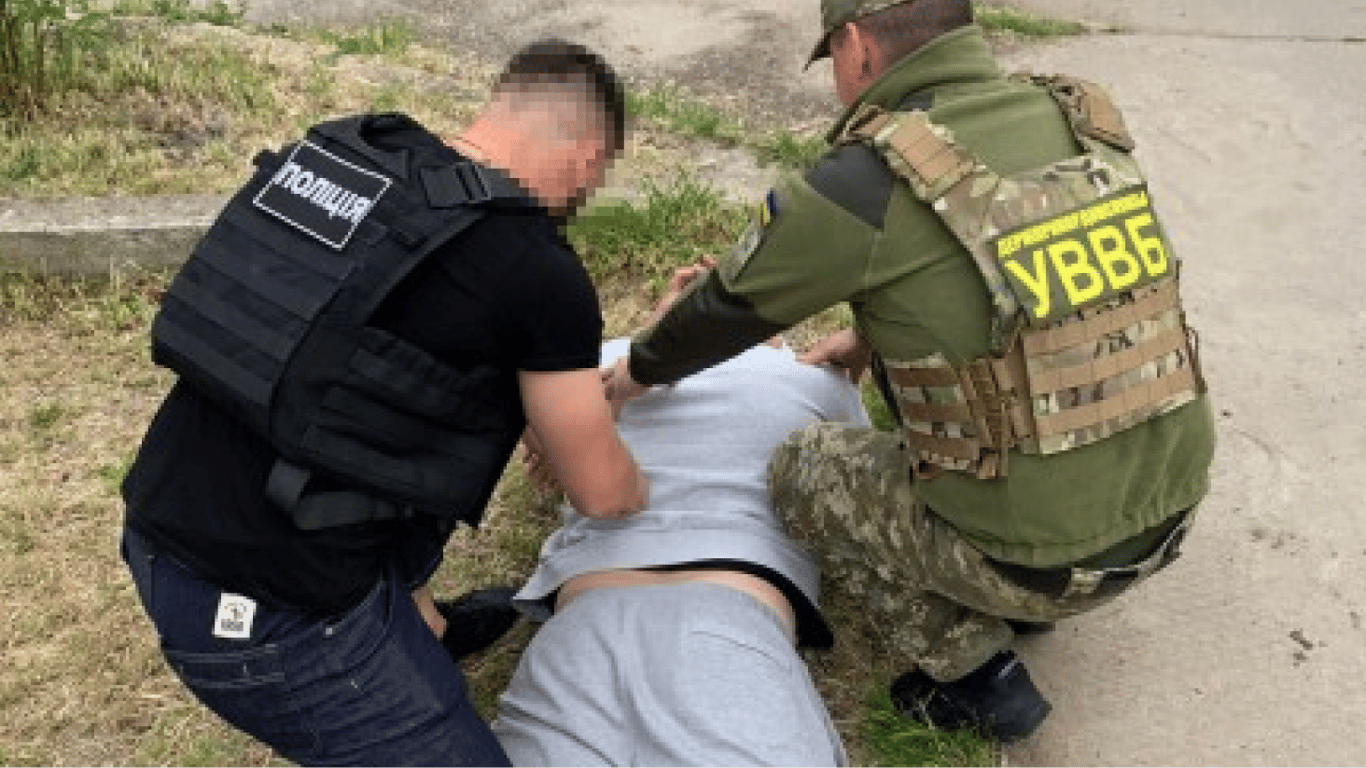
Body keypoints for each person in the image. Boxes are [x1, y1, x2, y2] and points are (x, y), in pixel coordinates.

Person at [602, 0, 1216, 743]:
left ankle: (976, 674)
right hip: (1172, 513)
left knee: (803, 470)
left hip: (1042, 566)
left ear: (855, 44)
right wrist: (870, 338)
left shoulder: (866, 178)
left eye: (834, 59)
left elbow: (725, 307)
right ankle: (1024, 586)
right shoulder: (1079, 115)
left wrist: (632, 375)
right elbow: (1030, 289)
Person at [119, 40, 647, 768]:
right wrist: (639, 483)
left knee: (430, 424)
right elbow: (602, 492)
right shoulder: (537, 270)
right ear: (588, 160)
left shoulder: (355, 157)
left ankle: (420, 627)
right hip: (264, 623)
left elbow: (357, 372)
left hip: (158, 525)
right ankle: (376, 663)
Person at [490, 264, 862, 768]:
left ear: (660, 320)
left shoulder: (593, 367)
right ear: (770, 326)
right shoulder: (811, 379)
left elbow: (545, 464)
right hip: (730, 615)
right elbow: (854, 490)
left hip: (582, 619)